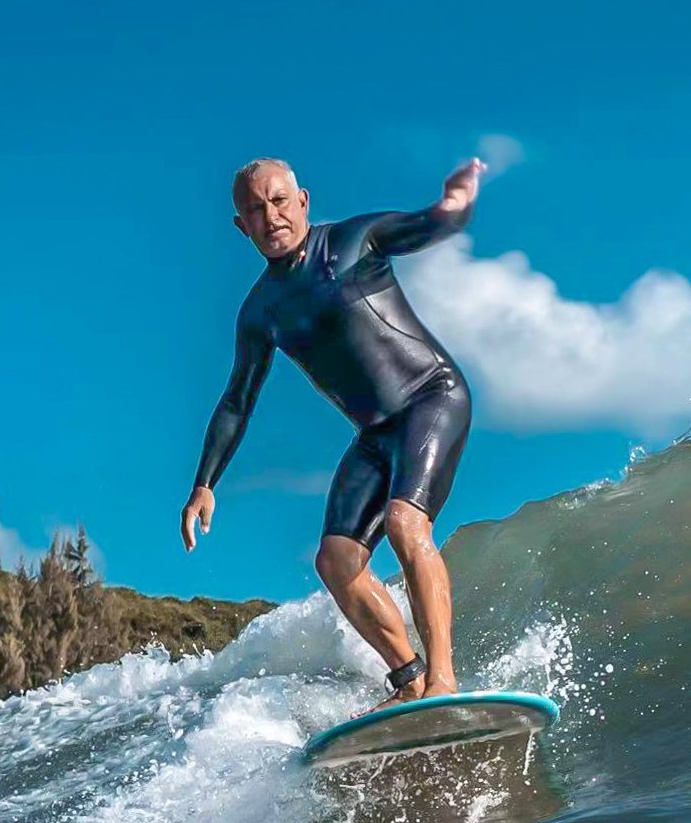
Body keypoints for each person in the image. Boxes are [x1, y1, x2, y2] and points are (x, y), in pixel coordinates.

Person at [181, 156, 482, 707]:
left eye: (278, 200)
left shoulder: (354, 241)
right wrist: (205, 483)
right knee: (335, 561)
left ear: (303, 201)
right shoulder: (259, 311)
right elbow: (236, 400)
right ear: (240, 225)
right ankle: (410, 679)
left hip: (431, 396)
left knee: (403, 522)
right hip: (375, 431)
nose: (269, 215)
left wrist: (455, 205)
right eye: (254, 208)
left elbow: (426, 225)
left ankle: (444, 679)